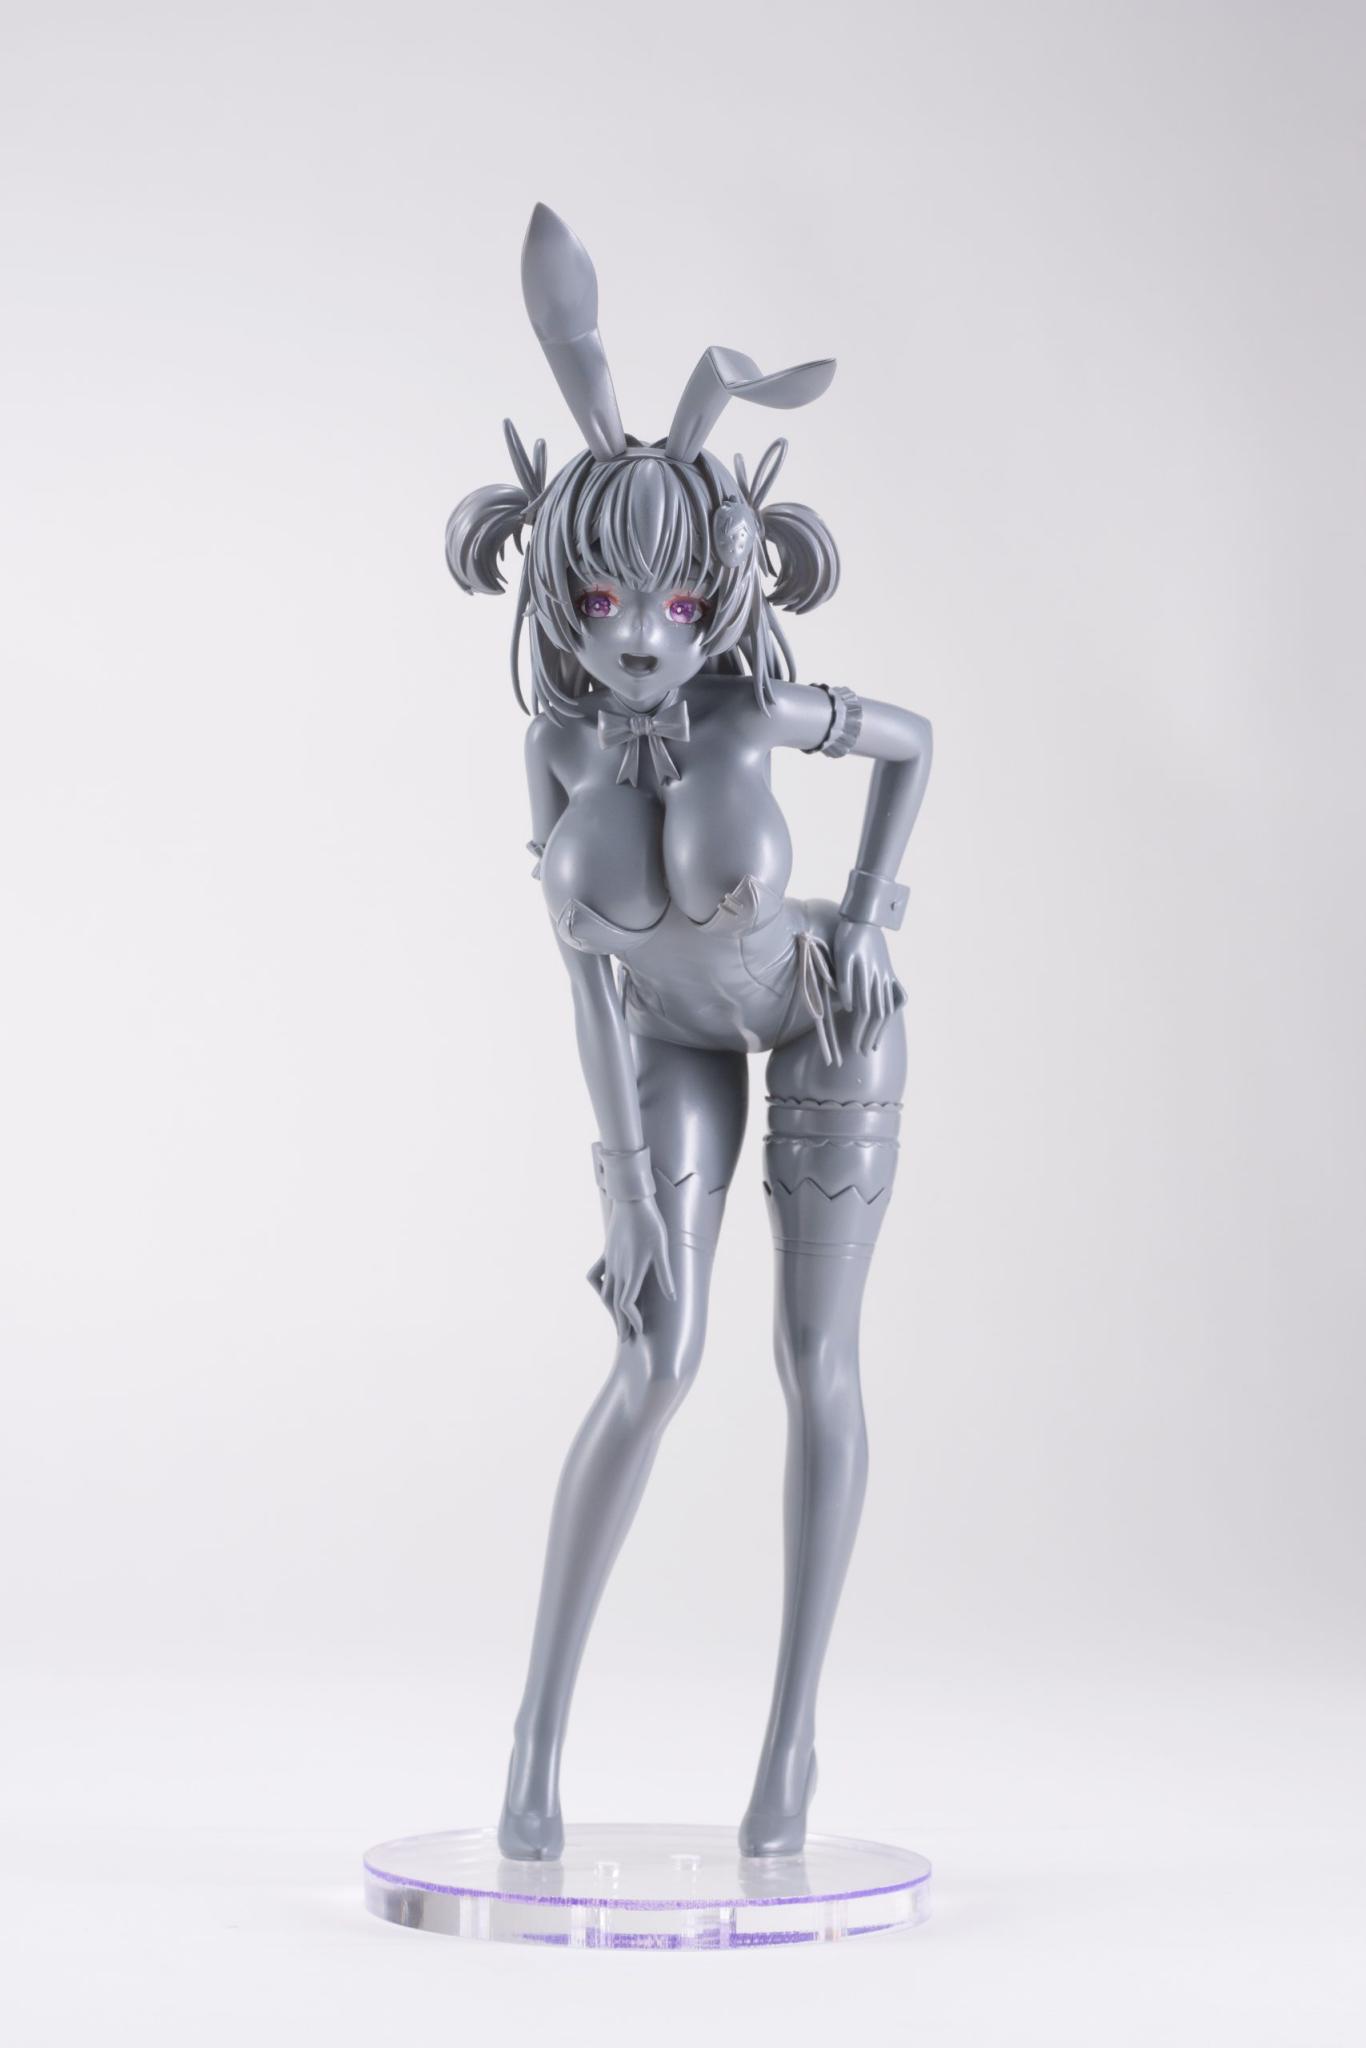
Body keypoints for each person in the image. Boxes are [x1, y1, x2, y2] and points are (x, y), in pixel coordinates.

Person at [446, 205, 933, 1860]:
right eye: (601, 594)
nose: (638, 630)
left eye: (668, 595)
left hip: (819, 1025)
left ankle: (791, 1748)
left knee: (814, 1363)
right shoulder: (554, 747)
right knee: (651, 1362)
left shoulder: (753, 708)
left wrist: (862, 916)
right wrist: (624, 1194)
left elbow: (912, 742)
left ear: (719, 587)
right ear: (554, 587)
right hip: (662, 1044)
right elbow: (581, 981)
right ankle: (532, 1744)